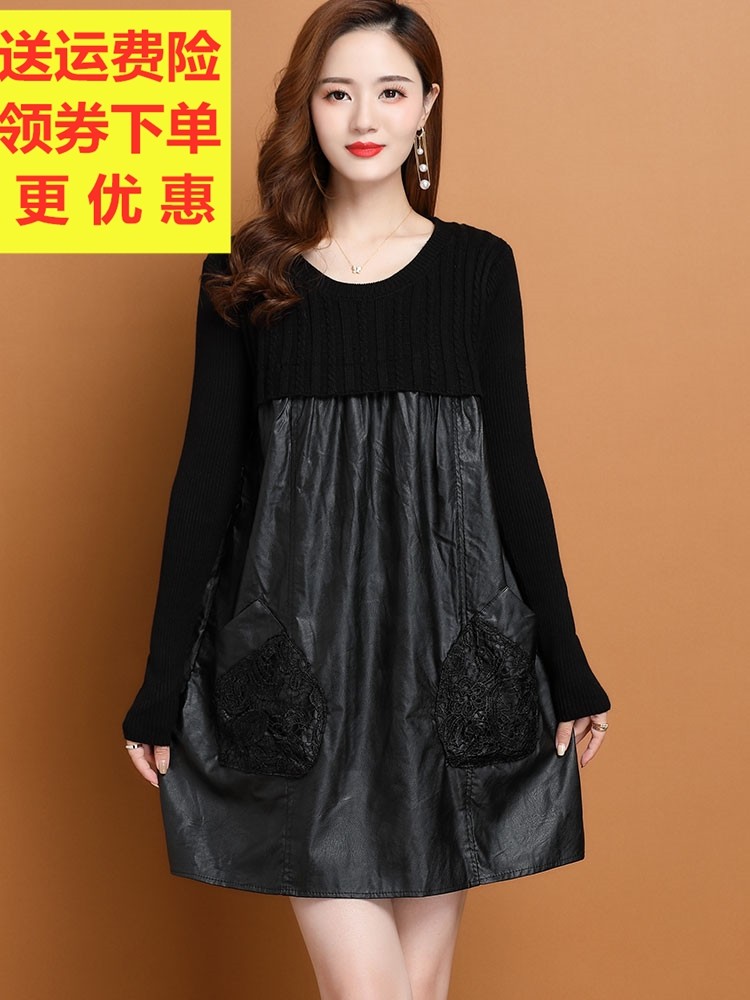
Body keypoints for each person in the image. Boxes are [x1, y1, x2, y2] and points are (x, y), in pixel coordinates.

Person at [122, 2, 611, 997]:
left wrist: (568, 662)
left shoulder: (478, 268)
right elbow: (203, 482)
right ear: (305, 107)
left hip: (449, 651)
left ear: (427, 106)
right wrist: (160, 680)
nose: (363, 117)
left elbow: (513, 471)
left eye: (390, 91)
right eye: (337, 92)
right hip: (297, 654)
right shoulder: (246, 273)